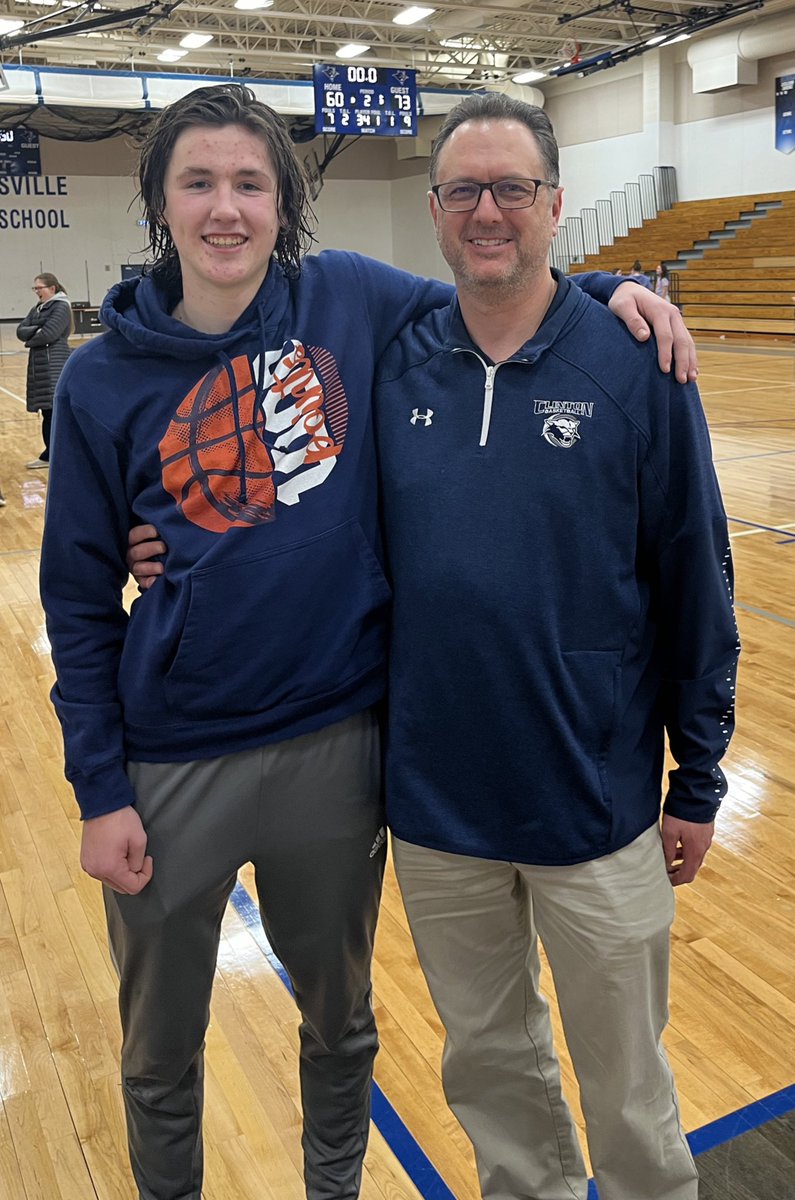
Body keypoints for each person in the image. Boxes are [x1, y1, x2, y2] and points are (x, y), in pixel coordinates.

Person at [43, 83, 696, 1200]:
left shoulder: (343, 296)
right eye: (198, 182)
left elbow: (496, 292)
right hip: (171, 765)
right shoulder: (101, 382)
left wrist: (614, 290)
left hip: (338, 749)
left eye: (251, 183)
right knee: (158, 1047)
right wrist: (98, 787)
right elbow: (76, 606)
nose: (226, 209)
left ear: (285, 203)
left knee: (342, 1026)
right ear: (160, 199)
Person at [370, 93, 738, 1200]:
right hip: (437, 811)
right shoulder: (393, 365)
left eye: (513, 189)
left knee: (628, 1083)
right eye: (465, 191)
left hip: (598, 801)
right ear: (434, 213)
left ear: (556, 205)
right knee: (489, 1070)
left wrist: (701, 777)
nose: (490, 212)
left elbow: (695, 573)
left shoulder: (637, 366)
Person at [16, 272, 72, 468]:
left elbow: (49, 334)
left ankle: (53, 456)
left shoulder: (62, 307)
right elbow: (20, 330)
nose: (36, 292)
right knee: (48, 412)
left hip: (54, 365)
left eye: (39, 288)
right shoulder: (39, 308)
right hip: (40, 365)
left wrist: (32, 335)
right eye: (35, 288)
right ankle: (51, 454)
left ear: (52, 289)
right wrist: (36, 330)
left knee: (53, 412)